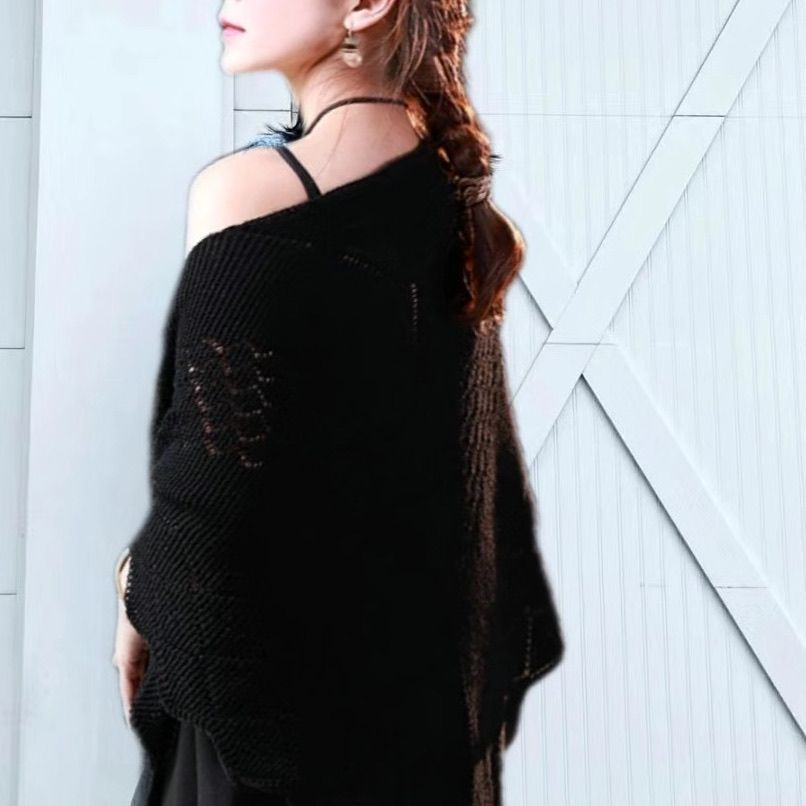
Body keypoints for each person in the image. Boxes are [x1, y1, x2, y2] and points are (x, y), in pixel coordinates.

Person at [111, 1, 565, 805]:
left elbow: (213, 491)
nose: (228, 5)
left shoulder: (251, 190)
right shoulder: (454, 207)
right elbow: (473, 502)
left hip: (265, 725)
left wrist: (135, 588)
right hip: (416, 734)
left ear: (365, 5)